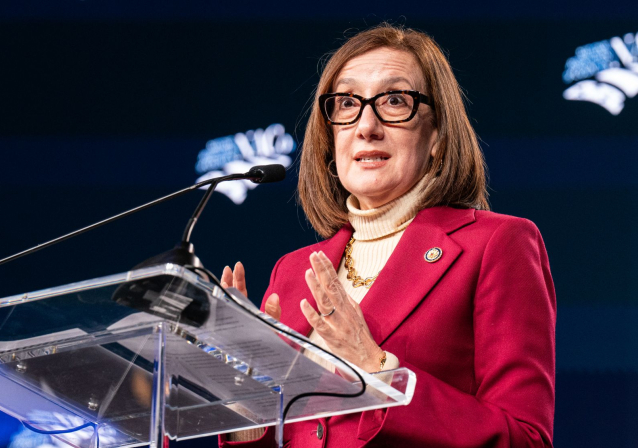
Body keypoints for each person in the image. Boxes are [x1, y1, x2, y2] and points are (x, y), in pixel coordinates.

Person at [219, 24, 556, 448]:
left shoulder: (495, 245)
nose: (367, 125)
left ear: (437, 136)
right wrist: (246, 400)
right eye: (346, 103)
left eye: (395, 101)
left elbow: (525, 439)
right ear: (330, 137)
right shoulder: (292, 272)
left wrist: (377, 369)